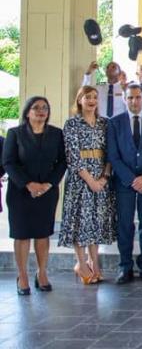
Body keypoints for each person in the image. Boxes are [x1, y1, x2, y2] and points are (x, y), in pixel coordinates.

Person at [2, 97, 67, 295]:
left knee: (42, 233)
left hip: (47, 192)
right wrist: (28, 184)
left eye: (45, 108)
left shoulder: (56, 133)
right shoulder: (15, 133)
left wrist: (48, 184)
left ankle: (42, 273)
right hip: (20, 192)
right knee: (21, 234)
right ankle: (22, 276)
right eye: (36, 108)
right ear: (27, 112)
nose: (41, 111)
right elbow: (8, 162)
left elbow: (62, 162)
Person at [59, 86, 116, 285]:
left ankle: (94, 263)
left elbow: (111, 152)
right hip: (80, 179)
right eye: (87, 97)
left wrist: (104, 177)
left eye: (94, 97)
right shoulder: (72, 124)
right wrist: (90, 180)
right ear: (79, 100)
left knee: (96, 222)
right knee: (80, 222)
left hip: (101, 176)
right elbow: (72, 155)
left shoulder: (104, 123)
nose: (91, 100)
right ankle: (81, 264)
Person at [107, 83, 142, 284]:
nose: (134, 101)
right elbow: (113, 155)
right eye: (130, 98)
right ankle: (125, 266)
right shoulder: (115, 123)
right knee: (125, 224)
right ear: (124, 99)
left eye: (137, 97)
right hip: (124, 182)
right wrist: (131, 179)